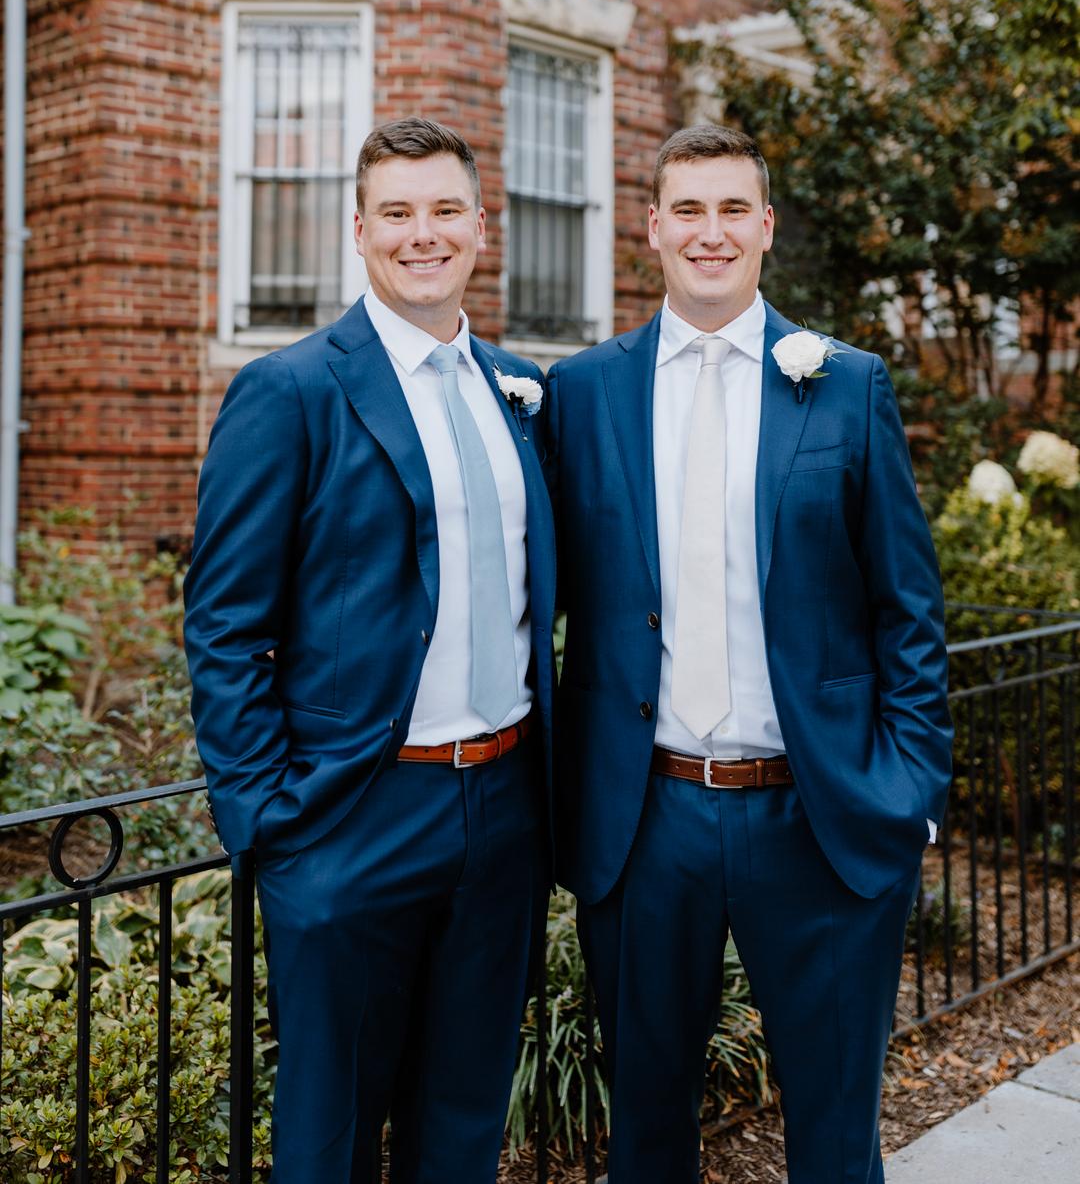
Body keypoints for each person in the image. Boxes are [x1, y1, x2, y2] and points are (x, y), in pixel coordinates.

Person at [545, 124, 952, 1184]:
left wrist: (909, 786)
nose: (710, 230)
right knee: (645, 1127)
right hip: (647, 818)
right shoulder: (584, 393)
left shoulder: (847, 385)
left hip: (817, 811)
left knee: (832, 1128)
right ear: (651, 228)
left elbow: (907, 605)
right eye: (688, 208)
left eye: (734, 208)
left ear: (767, 227)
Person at [184, 117, 555, 1182]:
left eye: (445, 209)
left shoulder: (521, 391)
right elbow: (223, 622)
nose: (422, 233)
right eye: (397, 212)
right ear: (360, 230)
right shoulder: (291, 390)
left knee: (464, 1123)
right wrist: (271, 823)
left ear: (482, 228)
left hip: (501, 812)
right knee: (330, 1137)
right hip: (352, 820)